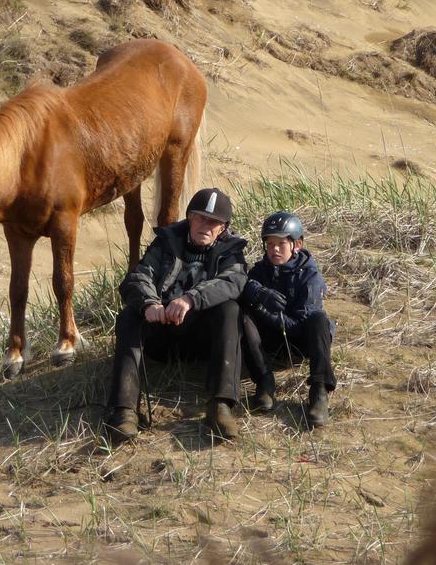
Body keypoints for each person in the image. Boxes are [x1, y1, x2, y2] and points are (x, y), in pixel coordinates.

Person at [104, 187, 248, 445]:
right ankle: (124, 410)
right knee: (129, 317)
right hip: (162, 333)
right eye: (200, 217)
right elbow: (138, 276)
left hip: (202, 339)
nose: (206, 225)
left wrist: (191, 299)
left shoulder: (231, 251)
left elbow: (233, 282)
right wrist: (150, 304)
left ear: (223, 228)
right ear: (190, 218)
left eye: (213, 222)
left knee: (230, 310)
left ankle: (220, 405)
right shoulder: (167, 241)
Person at [241, 211, 336, 428]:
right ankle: (264, 381)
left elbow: (300, 323)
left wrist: (267, 314)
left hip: (299, 341)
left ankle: (319, 391)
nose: (274, 249)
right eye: (269, 243)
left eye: (281, 244)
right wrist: (258, 294)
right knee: (243, 316)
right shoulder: (261, 270)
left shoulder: (310, 277)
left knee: (319, 319)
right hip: (270, 341)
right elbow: (244, 286)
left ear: (297, 245)